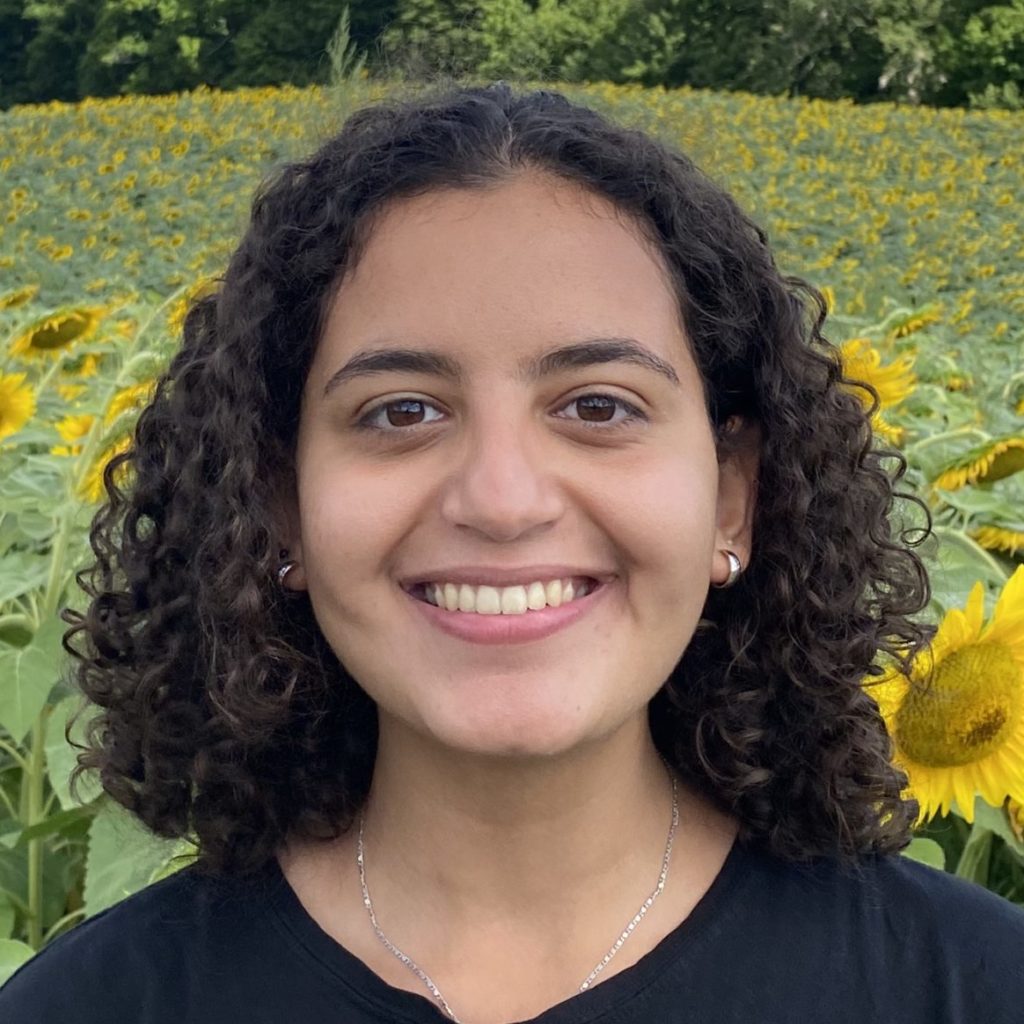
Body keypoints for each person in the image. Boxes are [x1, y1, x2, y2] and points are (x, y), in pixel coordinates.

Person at [2, 80, 1022, 1024]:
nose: (500, 498)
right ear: (279, 507)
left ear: (732, 497)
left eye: (596, 405)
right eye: (400, 411)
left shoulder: (969, 988)